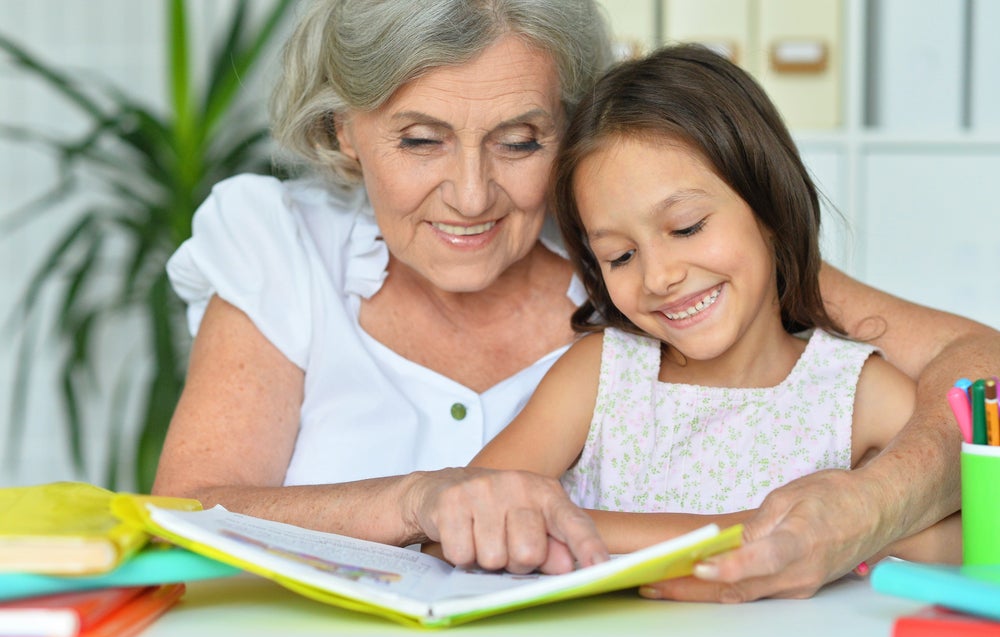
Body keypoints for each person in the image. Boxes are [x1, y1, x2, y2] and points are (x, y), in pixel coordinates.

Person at [152, 0, 1000, 599]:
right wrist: (416, 499)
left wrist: (874, 509)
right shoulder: (279, 247)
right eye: (421, 141)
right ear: (345, 129)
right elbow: (182, 517)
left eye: (520, 141)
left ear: (569, 125)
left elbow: (980, 372)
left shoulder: (648, 237)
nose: (473, 195)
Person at [469, 44, 960, 571]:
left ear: (770, 206)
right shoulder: (602, 376)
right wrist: (750, 529)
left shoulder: (857, 393)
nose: (659, 277)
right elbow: (466, 514)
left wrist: (859, 531)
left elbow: (977, 535)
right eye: (621, 255)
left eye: (687, 227)